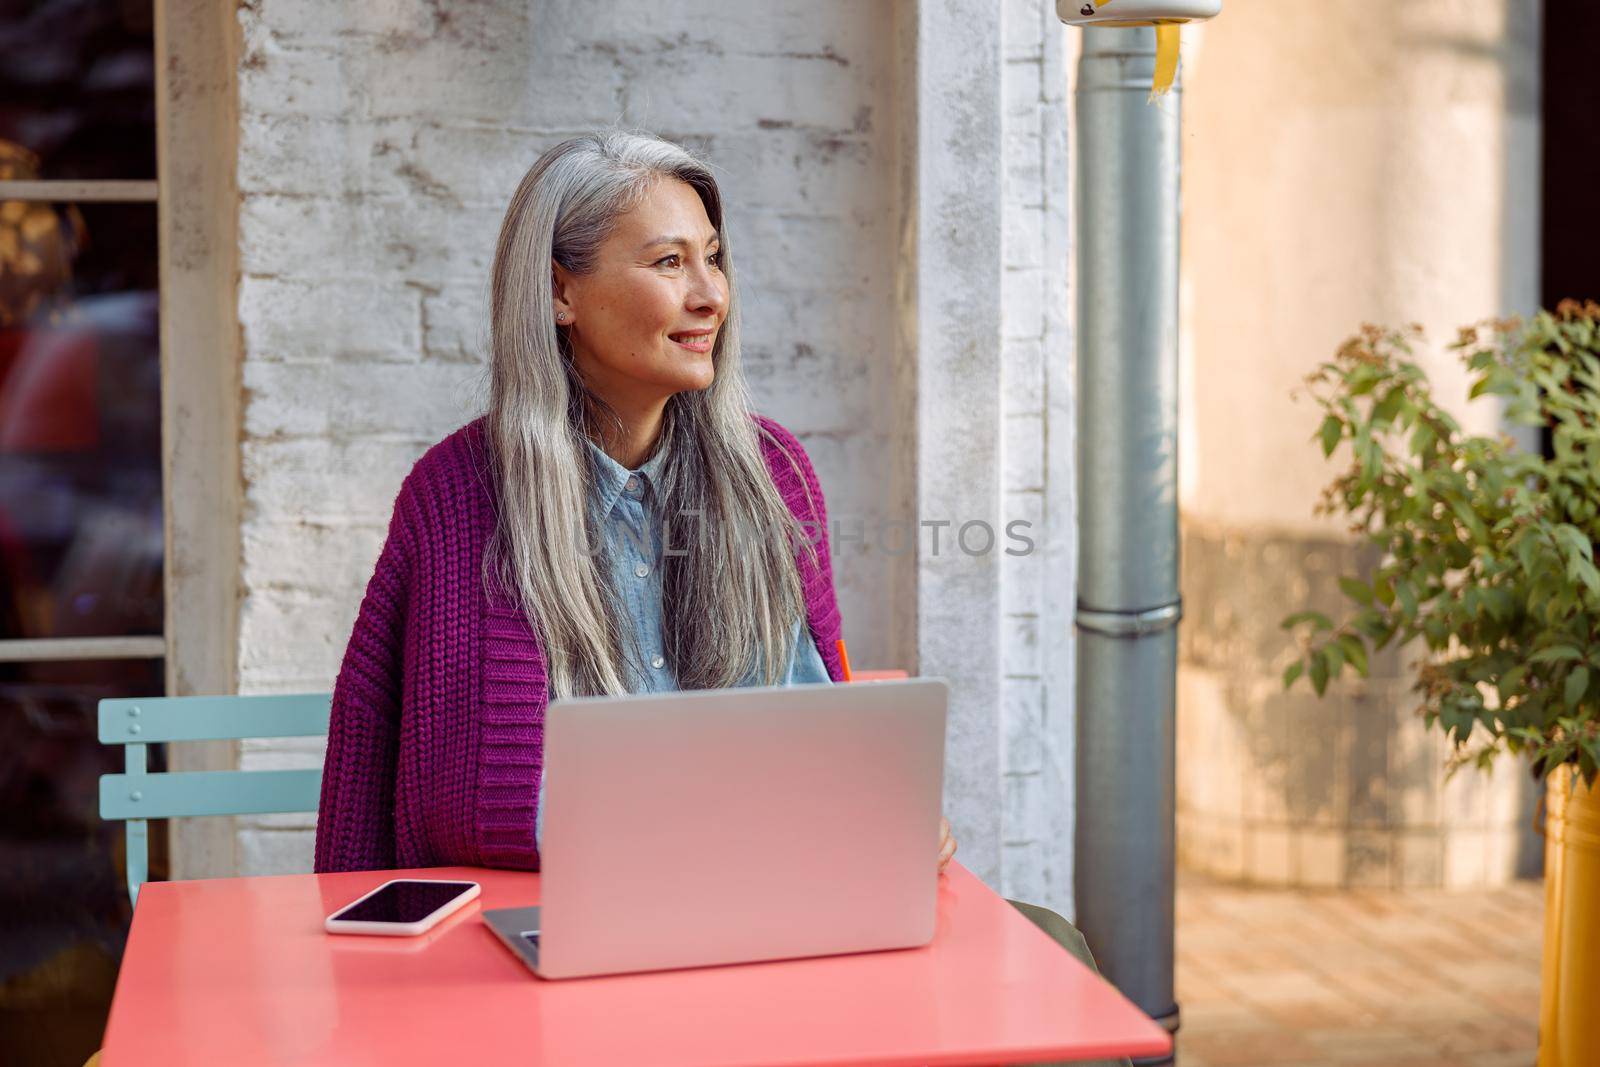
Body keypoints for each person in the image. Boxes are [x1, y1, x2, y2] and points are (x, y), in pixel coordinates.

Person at [313, 130, 1124, 1066]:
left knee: (1052, 962)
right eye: (668, 263)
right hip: (558, 939)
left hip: (762, 918)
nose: (710, 296)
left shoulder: (772, 476)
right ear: (559, 290)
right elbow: (454, 803)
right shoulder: (459, 497)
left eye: (715, 259)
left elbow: (814, 728)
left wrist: (881, 817)